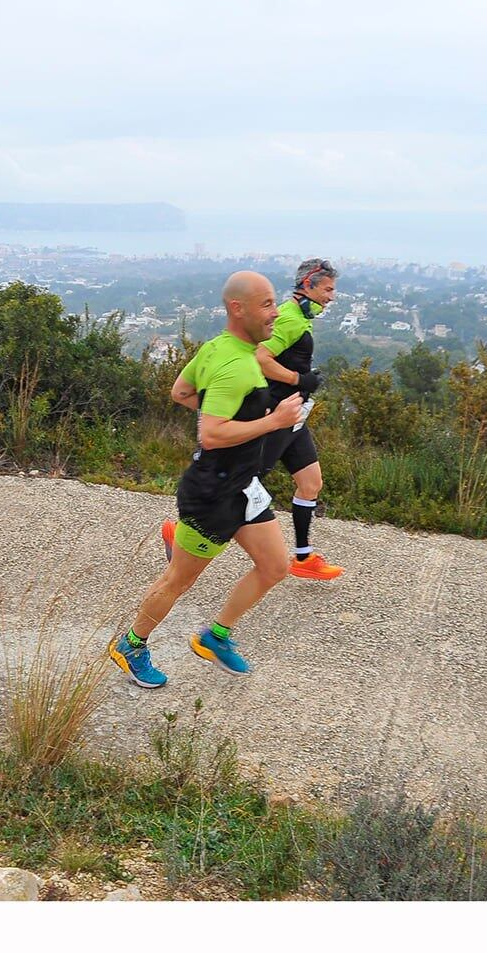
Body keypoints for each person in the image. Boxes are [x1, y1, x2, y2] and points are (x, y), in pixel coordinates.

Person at [110, 271, 303, 688]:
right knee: (177, 581)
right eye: (267, 304)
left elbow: (180, 391)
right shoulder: (234, 364)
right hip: (212, 494)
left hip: (243, 487)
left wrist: (229, 411)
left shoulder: (221, 348)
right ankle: (131, 644)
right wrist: (274, 420)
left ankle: (215, 636)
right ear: (239, 308)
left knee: (274, 566)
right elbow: (212, 435)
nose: (276, 312)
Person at [254, 258, 345, 580]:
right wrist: (298, 380)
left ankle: (303, 559)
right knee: (245, 485)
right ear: (308, 285)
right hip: (277, 415)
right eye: (328, 289)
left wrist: (304, 380)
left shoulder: (301, 318)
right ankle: (181, 534)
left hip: (295, 417)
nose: (332, 297)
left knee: (311, 483)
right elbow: (260, 358)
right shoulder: (290, 318)